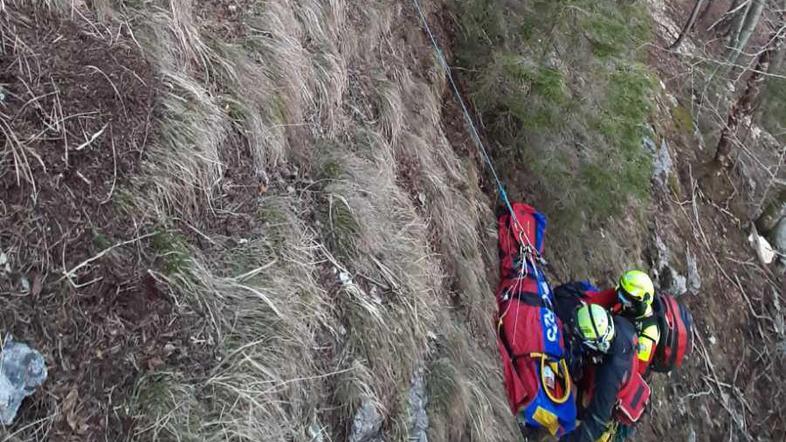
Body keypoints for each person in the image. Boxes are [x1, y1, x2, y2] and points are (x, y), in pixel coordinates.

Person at [558, 304, 641, 442]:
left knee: (566, 396)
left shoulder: (608, 377)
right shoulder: (622, 325)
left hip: (607, 398)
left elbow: (595, 425)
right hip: (623, 371)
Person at [581, 270, 660, 375]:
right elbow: (595, 301)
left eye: (625, 299)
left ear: (639, 303)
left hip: (620, 361)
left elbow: (637, 369)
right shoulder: (625, 294)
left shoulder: (649, 333)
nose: (619, 298)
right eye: (620, 292)